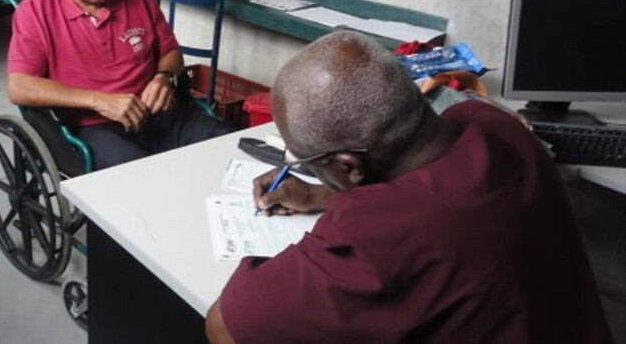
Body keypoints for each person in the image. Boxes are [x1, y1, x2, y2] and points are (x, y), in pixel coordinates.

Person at [205, 31, 612, 343]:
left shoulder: (382, 234)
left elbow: (226, 326)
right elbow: (438, 190)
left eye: (303, 161)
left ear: (349, 167)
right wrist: (317, 195)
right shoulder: (494, 125)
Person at [6, 0, 231, 170]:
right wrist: (100, 101)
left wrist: (164, 78)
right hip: (95, 127)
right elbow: (19, 87)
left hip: (159, 114)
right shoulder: (36, 11)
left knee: (227, 146)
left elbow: (170, 51)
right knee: (138, 177)